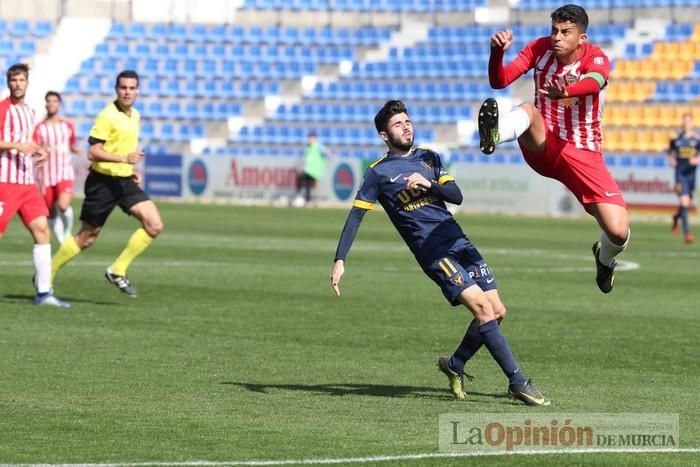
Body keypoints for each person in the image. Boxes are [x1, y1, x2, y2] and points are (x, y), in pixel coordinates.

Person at [330, 100, 549, 406]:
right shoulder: (378, 173)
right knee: (483, 310)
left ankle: (455, 365)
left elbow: (456, 195)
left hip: (458, 241)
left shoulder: (429, 158)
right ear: (384, 135)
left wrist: (429, 184)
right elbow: (356, 215)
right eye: (397, 124)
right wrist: (340, 259)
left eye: (407, 121)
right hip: (434, 253)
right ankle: (517, 381)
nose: (406, 127)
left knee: (497, 311)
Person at [478, 4, 630, 294]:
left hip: (583, 153)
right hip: (543, 143)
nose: (557, 37)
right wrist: (497, 52)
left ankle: (605, 259)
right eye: (554, 30)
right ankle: (496, 134)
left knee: (618, 231)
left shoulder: (596, 56)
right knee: (527, 109)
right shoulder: (539, 48)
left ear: (581, 39)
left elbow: (593, 82)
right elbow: (499, 81)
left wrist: (567, 91)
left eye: (565, 32)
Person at [51, 70, 164, 298]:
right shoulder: (107, 115)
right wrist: (124, 159)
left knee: (154, 225)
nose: (128, 92)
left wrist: (129, 170)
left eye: (132, 88)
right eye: (123, 87)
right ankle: (47, 274)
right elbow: (93, 152)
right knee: (86, 238)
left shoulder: (135, 115)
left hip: (123, 181)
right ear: (116, 89)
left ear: (137, 90)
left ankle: (117, 270)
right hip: (102, 183)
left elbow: (122, 148)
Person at [0, 64, 69, 307]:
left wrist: (38, 150)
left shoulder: (30, 111)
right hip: (5, 182)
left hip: (27, 183)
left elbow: (25, 140)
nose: (17, 84)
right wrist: (17, 146)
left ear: (27, 83)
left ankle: (43, 292)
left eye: (21, 80)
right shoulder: (3, 109)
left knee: (42, 230)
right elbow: (11, 142)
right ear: (8, 83)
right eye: (13, 80)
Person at [33, 91, 81, 244]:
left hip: (64, 171)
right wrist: (40, 149)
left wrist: (76, 150)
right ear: (46, 104)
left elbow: (71, 144)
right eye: (48, 101)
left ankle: (67, 232)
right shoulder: (40, 128)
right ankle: (62, 242)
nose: (51, 104)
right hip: (46, 174)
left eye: (54, 101)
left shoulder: (67, 126)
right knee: (50, 212)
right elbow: (34, 148)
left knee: (63, 204)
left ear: (59, 104)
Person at [668, 113, 699, 244]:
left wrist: (697, 159)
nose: (686, 124)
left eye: (688, 121)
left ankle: (676, 217)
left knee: (686, 203)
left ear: (692, 124)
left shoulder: (696, 140)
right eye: (684, 121)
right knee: (685, 202)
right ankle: (687, 233)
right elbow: (670, 152)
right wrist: (671, 160)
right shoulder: (676, 140)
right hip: (680, 175)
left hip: (691, 175)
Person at [294, 131, 333, 207]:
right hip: (308, 169)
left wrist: (330, 156)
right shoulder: (307, 148)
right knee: (307, 184)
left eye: (311, 138)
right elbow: (306, 158)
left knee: (303, 177)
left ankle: (300, 196)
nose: (309, 139)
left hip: (314, 171)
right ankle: (308, 201)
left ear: (315, 139)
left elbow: (327, 152)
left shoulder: (318, 146)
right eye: (309, 138)